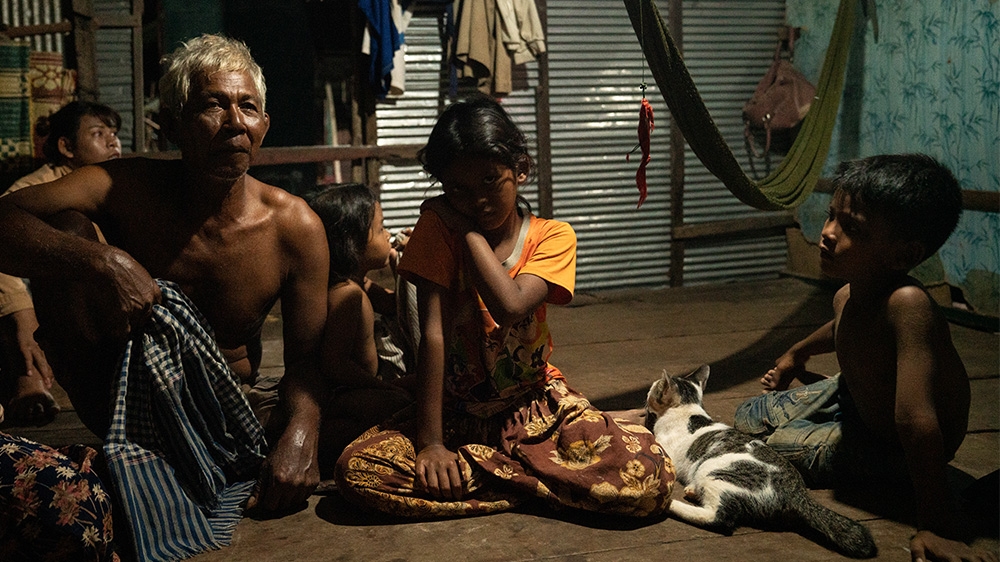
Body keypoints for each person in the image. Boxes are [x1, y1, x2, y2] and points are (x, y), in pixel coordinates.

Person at [0, 34, 329, 559]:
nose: (235, 122)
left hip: (228, 415)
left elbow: (307, 359)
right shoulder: (123, 186)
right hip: (120, 403)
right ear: (172, 126)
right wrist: (102, 262)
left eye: (248, 107)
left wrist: (301, 432)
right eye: (213, 105)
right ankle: (137, 460)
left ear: (264, 125)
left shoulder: (295, 227)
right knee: (66, 231)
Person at [334, 94, 674, 518]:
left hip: (535, 409)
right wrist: (432, 444)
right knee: (357, 470)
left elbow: (510, 305)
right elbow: (432, 336)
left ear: (521, 169)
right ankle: (537, 480)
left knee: (650, 476)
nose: (477, 200)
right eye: (458, 190)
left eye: (490, 181)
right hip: (456, 411)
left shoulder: (553, 236)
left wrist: (465, 230)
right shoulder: (436, 233)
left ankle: (495, 475)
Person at [733, 154, 997, 562]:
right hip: (855, 401)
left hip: (893, 444)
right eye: (831, 216)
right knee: (747, 416)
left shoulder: (908, 305)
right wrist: (796, 354)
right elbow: (842, 327)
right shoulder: (848, 293)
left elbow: (916, 420)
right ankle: (828, 405)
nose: (827, 233)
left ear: (903, 256)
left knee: (769, 447)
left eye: (851, 228)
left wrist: (936, 523)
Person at [0, 100, 122, 427]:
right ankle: (28, 378)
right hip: (42, 303)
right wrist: (21, 316)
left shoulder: (117, 185)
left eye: (114, 133)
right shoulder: (34, 189)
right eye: (98, 134)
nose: (113, 141)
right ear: (66, 147)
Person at [306, 183, 414, 474]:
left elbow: (395, 305)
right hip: (345, 394)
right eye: (381, 229)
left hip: (363, 386)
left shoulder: (359, 283)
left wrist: (402, 264)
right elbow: (334, 363)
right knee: (401, 404)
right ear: (352, 244)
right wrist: (382, 387)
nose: (388, 234)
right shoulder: (347, 296)